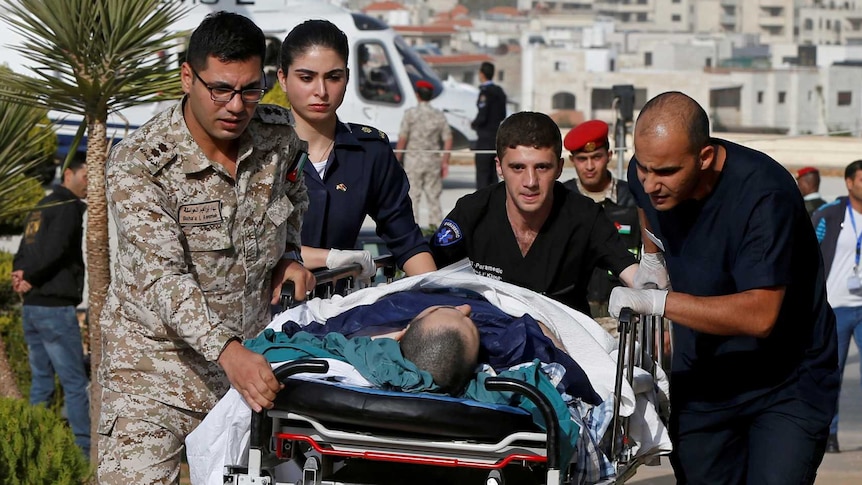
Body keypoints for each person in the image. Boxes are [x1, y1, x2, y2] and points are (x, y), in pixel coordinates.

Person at [97, 12, 315, 483]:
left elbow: (294, 197)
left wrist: (290, 256)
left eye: (251, 89)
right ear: (187, 77)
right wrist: (228, 351)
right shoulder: (142, 162)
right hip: (154, 372)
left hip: (248, 371)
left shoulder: (277, 138)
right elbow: (160, 277)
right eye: (220, 89)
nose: (236, 105)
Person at [609, 91, 839, 483]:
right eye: (644, 168)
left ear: (705, 158)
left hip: (786, 381)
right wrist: (653, 258)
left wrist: (658, 301)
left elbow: (760, 314)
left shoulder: (764, 195)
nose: (651, 183)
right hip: (705, 377)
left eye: (665, 172)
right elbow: (643, 204)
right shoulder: (644, 175)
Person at [429, 111, 638, 316]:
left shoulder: (585, 217)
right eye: (518, 167)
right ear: (499, 167)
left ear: (559, 168)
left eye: (542, 167)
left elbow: (632, 274)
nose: (530, 182)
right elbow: (426, 273)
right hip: (488, 337)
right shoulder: (472, 212)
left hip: (562, 340)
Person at [277, 19, 436, 279]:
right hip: (263, 310)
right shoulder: (258, 151)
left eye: (333, 77)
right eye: (306, 77)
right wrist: (328, 258)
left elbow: (406, 241)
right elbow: (244, 246)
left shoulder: (369, 152)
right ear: (283, 78)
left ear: (347, 78)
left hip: (337, 309)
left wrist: (437, 297)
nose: (321, 91)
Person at [11, 158, 89, 458]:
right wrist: (29, 275)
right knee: (75, 383)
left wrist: (20, 274)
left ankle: (30, 450)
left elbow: (23, 249)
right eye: (85, 175)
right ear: (68, 174)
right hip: (54, 308)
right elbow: (55, 249)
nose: (89, 183)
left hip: (32, 307)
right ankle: (84, 454)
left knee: (41, 383)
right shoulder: (66, 206)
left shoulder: (41, 206)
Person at [562, 119, 640, 317]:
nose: (589, 166)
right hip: (573, 312)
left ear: (609, 156)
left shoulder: (634, 200)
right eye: (582, 159)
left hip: (625, 313)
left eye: (596, 157)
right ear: (572, 160)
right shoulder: (561, 200)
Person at [811, 159, 862, 454]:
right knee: (833, 374)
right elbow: (810, 254)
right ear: (848, 183)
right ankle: (829, 434)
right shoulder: (829, 216)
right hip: (836, 307)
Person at [395, 80, 453, 228]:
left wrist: (396, 160)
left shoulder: (410, 114)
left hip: (413, 161)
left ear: (417, 95)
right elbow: (448, 138)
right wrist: (445, 161)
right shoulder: (438, 115)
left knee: (413, 197)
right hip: (432, 161)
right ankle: (435, 230)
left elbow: (403, 138)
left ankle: (413, 230)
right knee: (433, 197)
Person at [470, 61, 507, 189]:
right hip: (496, 137)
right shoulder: (500, 92)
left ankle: (482, 204)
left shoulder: (485, 93)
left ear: (482, 74)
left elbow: (483, 115)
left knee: (483, 175)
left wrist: (474, 124)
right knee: (493, 175)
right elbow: (502, 114)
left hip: (484, 138)